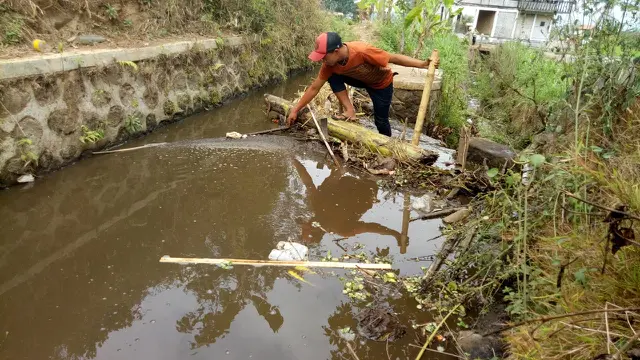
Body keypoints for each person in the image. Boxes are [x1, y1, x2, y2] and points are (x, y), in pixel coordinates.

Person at [286, 31, 439, 136]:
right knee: (332, 77)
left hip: (381, 84)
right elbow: (314, 88)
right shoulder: (329, 65)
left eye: (323, 56)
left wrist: (422, 64)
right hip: (359, 80)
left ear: (336, 51)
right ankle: (349, 111)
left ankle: (386, 143)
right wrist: (295, 109)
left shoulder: (362, 51)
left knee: (381, 121)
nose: (321, 60)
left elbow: (394, 58)